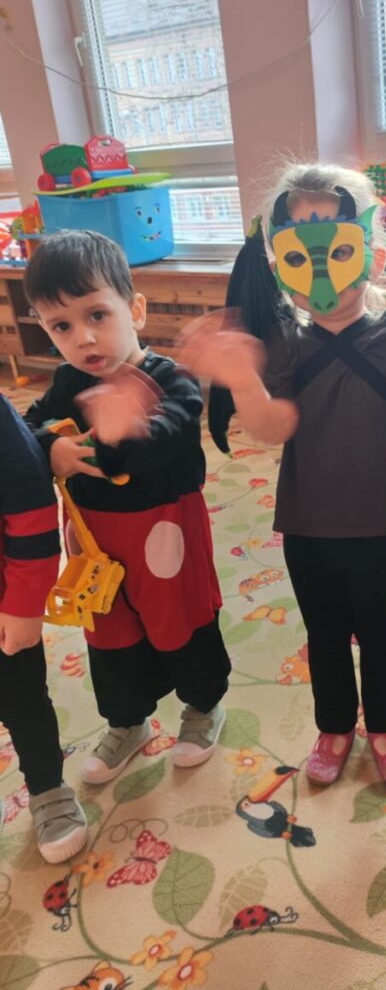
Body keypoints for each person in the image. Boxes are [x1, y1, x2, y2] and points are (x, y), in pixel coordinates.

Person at [177, 163, 386, 787]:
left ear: (373, 255)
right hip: (308, 525)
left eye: (339, 249)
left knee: (379, 635)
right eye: (301, 256)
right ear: (280, 263)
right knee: (324, 635)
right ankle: (334, 726)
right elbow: (271, 428)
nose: (322, 273)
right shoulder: (283, 344)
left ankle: (384, 726)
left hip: (384, 525)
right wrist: (242, 376)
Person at [23, 230, 230, 785]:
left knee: (180, 620)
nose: (84, 338)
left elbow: (171, 431)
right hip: (93, 538)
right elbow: (29, 425)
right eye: (61, 326)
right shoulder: (68, 380)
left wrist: (122, 435)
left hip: (165, 533)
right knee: (108, 631)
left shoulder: (172, 379)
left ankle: (204, 705)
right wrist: (50, 447)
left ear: (134, 309)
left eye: (97, 315)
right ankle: (126, 721)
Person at [0, 393, 88, 862]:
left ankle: (47, 787)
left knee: (22, 702)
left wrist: (24, 603)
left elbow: (30, 504)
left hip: (4, 610)